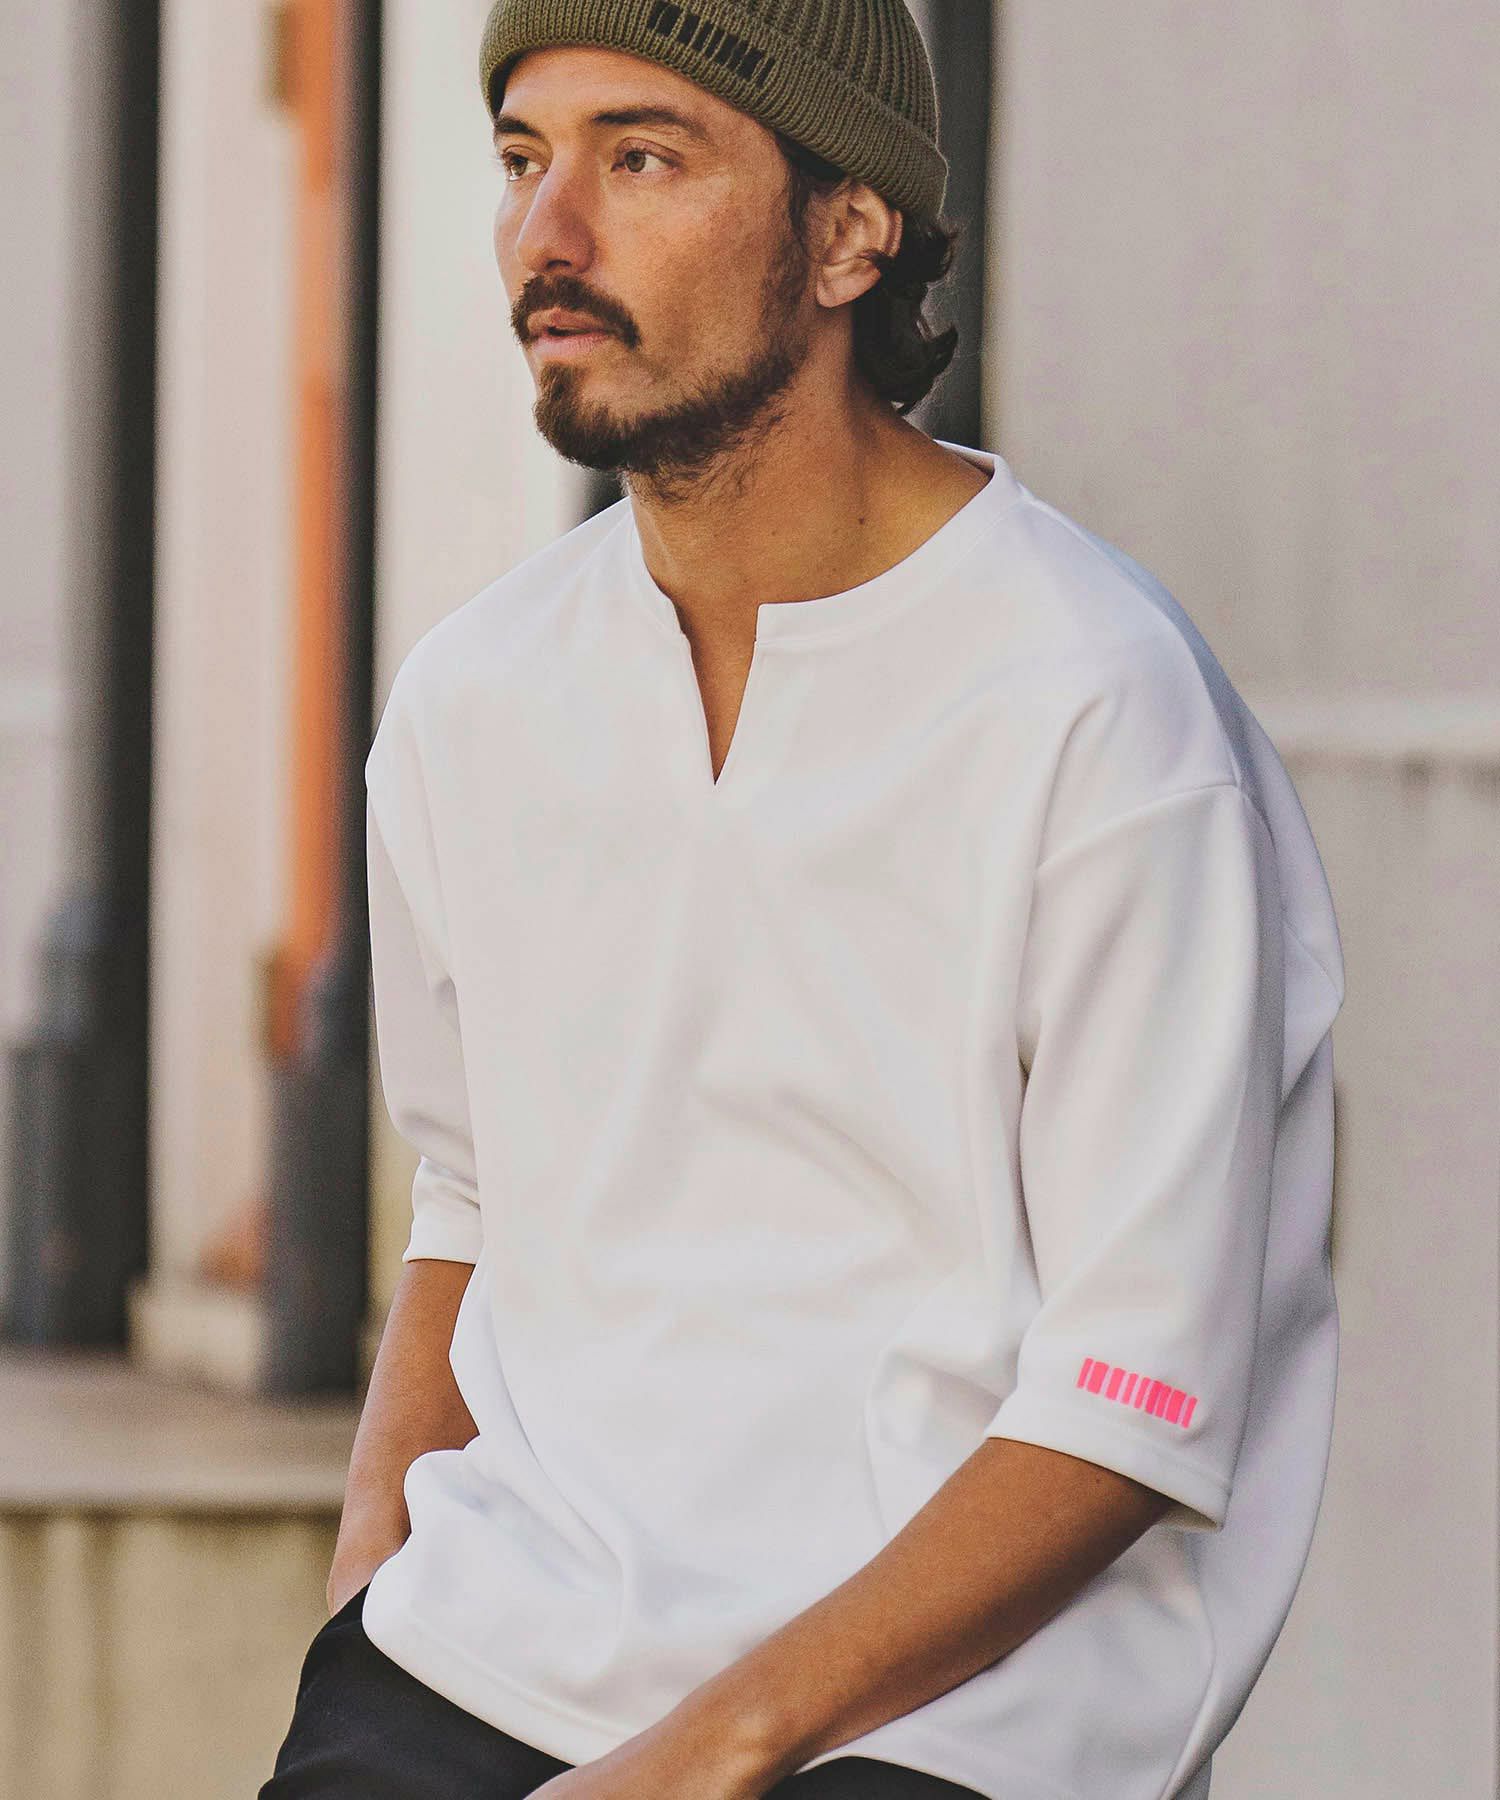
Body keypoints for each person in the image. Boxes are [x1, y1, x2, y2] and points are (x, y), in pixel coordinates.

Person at [261, 3, 1347, 1796]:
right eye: (523, 159)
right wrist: (377, 1578)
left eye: (642, 157)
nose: (548, 234)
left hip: (961, 1716)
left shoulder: (1097, 711)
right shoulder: (475, 697)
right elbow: (473, 1196)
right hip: (494, 1651)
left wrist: (709, 1753)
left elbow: (1134, 1397)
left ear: (850, 235)